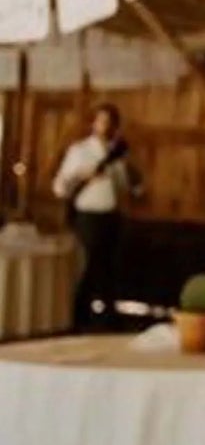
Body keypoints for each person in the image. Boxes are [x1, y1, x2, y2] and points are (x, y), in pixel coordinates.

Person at [52, 104, 143, 328]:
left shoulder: (118, 157)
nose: (106, 126)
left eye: (111, 122)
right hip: (88, 219)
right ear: (94, 123)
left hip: (111, 218)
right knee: (87, 269)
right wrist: (81, 175)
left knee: (109, 272)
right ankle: (77, 320)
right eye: (102, 121)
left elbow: (134, 189)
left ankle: (107, 323)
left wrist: (130, 171)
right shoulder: (80, 151)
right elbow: (60, 187)